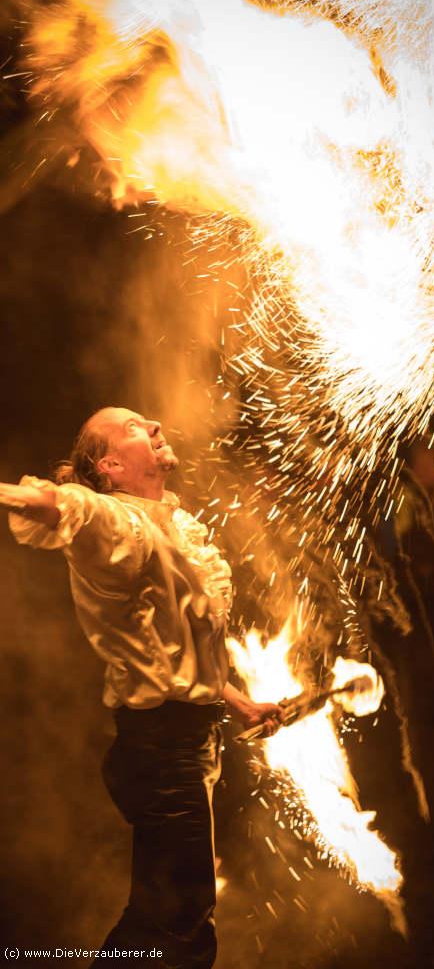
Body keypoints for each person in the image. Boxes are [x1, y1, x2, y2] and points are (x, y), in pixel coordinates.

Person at [0, 407, 282, 969]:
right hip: (161, 749)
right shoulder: (108, 517)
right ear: (110, 465)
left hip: (187, 743)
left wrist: (236, 700)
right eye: (132, 426)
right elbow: (52, 503)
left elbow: (176, 647)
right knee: (180, 921)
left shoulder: (173, 527)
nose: (153, 423)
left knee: (168, 916)